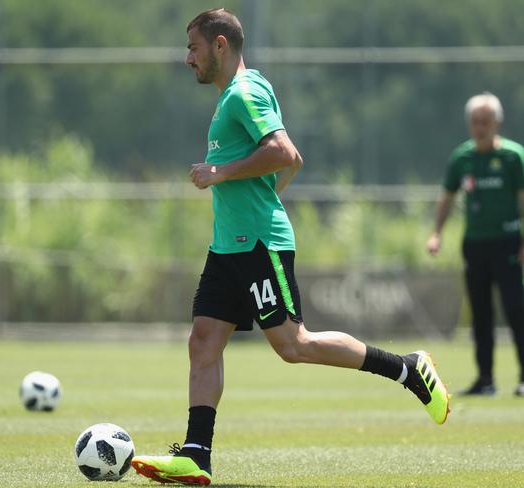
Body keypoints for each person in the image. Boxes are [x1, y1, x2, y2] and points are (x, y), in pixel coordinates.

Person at [131, 9, 449, 486]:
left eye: (193, 47)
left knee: (293, 345)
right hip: (228, 247)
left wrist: (222, 175)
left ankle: (407, 369)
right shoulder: (234, 95)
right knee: (203, 339)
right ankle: (197, 454)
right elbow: (292, 161)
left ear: (220, 45)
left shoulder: (244, 92)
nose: (186, 58)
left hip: (259, 243)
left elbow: (283, 152)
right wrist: (260, 193)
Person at [427, 92, 524, 397]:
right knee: (480, 314)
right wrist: (437, 233)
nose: (480, 127)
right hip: (475, 245)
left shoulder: (513, 157)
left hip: (509, 243)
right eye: (475, 121)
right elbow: (447, 198)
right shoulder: (462, 158)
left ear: (497, 122)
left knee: (515, 309)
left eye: (486, 121)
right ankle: (485, 380)